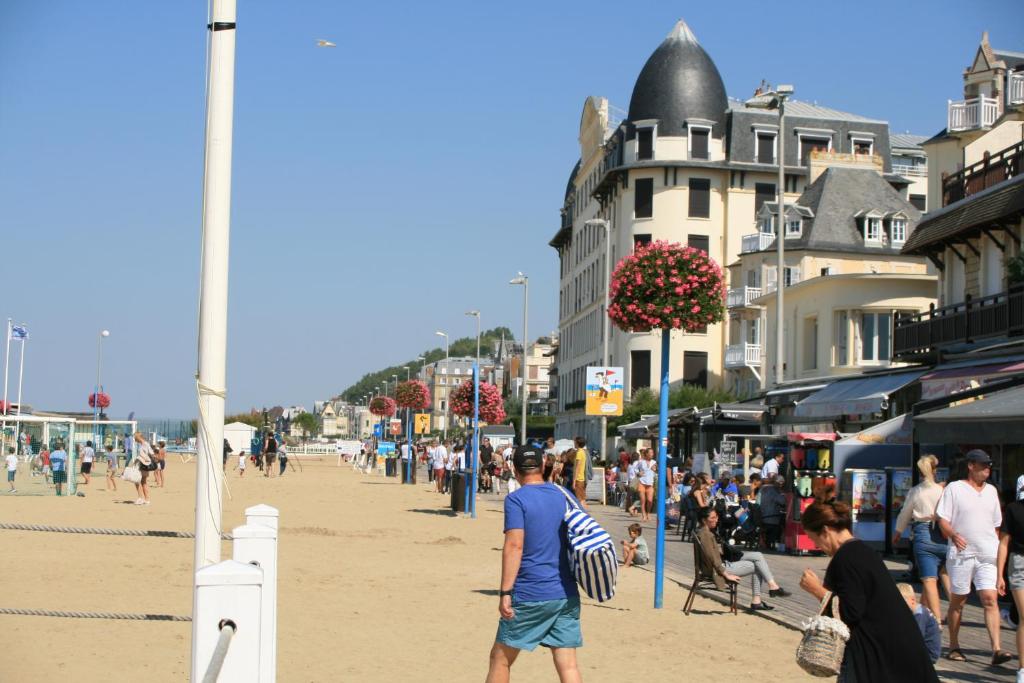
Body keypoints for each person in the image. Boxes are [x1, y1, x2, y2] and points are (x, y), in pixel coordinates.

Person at [798, 485, 939, 682]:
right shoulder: (862, 551)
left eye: (815, 539)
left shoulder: (845, 558)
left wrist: (817, 590)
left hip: (876, 654)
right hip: (899, 649)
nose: (817, 546)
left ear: (826, 530)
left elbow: (850, 612)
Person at [486, 444, 582, 683]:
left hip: (531, 592)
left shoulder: (516, 500)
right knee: (568, 664)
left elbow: (514, 545)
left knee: (501, 658)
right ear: (542, 466)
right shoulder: (565, 495)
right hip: (565, 593)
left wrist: (505, 592)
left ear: (514, 470)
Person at [936, 449, 1010, 665]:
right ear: (971, 465)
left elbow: (996, 525)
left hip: (987, 554)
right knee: (959, 600)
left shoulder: (991, 491)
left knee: (990, 598)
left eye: (989, 465)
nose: (987, 469)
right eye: (983, 465)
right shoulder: (954, 488)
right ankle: (954, 645)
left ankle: (996, 648)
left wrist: (995, 551)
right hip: (962, 554)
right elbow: (943, 519)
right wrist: (953, 534)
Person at [894, 454, 949, 627]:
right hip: (945, 533)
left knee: (929, 579)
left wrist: (898, 531)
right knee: (945, 574)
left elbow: (905, 513)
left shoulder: (916, 491)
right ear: (935, 470)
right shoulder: (944, 490)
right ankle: (955, 610)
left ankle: (937, 621)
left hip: (923, 531)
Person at [697, 508, 786, 611]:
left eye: (716, 516)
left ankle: (772, 586)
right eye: (713, 518)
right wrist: (726, 574)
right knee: (757, 566)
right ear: (704, 520)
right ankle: (757, 600)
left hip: (722, 563)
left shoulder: (703, 532)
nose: (716, 520)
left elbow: (712, 555)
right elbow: (711, 558)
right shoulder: (706, 535)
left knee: (758, 555)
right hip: (719, 569)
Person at [998, 475, 1024, 683]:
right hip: (1019, 562)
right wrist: (999, 574)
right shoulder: (1014, 509)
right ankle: (1022, 669)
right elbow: (1004, 542)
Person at [897, 583, 941, 664]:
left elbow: (916, 637)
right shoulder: (915, 610)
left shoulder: (919, 614)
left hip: (929, 654)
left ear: (912, 600)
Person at [759, 475, 787, 549]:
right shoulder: (774, 492)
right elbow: (783, 502)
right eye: (780, 484)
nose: (781, 486)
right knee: (785, 523)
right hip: (771, 518)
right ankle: (780, 543)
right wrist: (783, 494)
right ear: (775, 483)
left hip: (762, 516)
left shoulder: (764, 489)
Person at [131, 433, 153, 505]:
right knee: (144, 482)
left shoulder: (144, 444)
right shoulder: (146, 444)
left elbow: (143, 455)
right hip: (145, 465)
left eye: (135, 438)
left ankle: (140, 498)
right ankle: (146, 499)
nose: (134, 439)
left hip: (142, 465)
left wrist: (137, 461)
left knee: (137, 481)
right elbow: (151, 453)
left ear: (138, 437)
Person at [636, 449, 655, 522]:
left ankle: (648, 513)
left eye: (652, 452)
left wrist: (655, 469)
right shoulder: (641, 462)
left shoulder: (654, 462)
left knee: (650, 500)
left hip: (650, 484)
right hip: (642, 483)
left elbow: (657, 471)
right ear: (646, 454)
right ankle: (644, 515)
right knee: (643, 500)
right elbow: (635, 469)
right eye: (650, 452)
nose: (652, 454)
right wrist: (638, 473)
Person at [572, 437, 588, 511]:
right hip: (582, 478)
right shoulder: (583, 452)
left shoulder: (579, 453)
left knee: (579, 499)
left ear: (577, 443)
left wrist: (574, 481)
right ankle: (586, 513)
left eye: (575, 442)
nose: (574, 443)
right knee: (583, 498)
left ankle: (583, 513)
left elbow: (577, 468)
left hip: (578, 478)